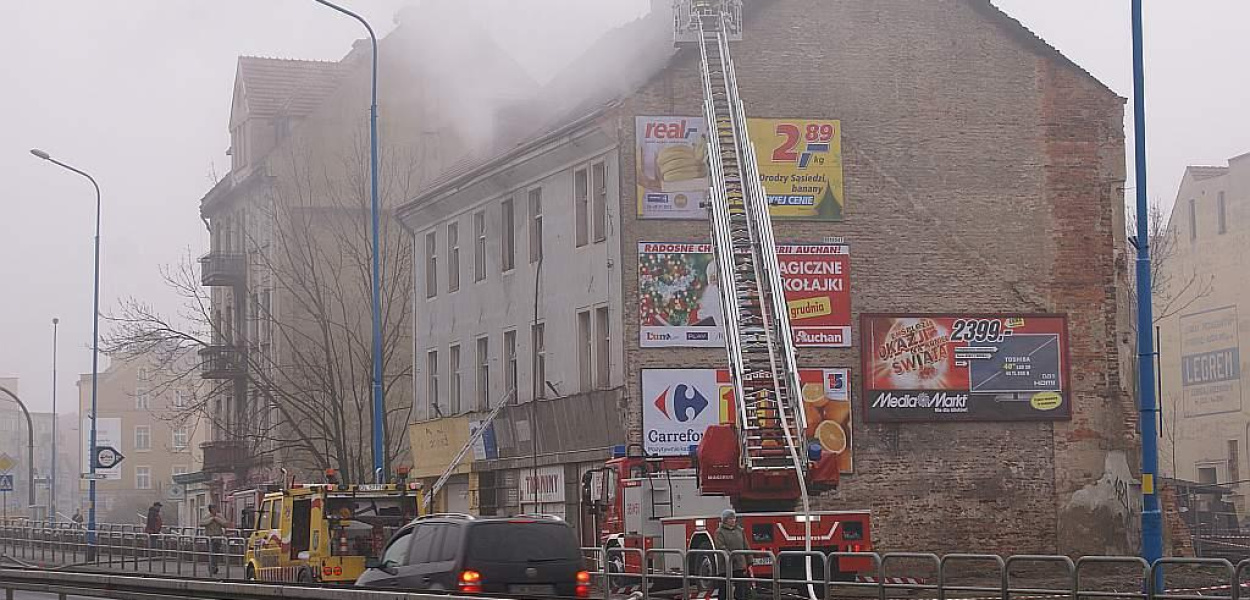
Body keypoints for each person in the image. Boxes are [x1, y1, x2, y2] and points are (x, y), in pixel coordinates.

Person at [714, 509, 750, 600]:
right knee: (724, 589)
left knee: (741, 590)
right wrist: (731, 556)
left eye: (734, 518)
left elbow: (745, 545)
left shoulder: (740, 530)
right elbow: (721, 546)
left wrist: (749, 559)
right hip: (726, 566)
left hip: (739, 565)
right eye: (730, 518)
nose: (733, 520)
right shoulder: (719, 532)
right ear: (725, 520)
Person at [201, 504, 230, 576]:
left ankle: (214, 566)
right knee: (211, 552)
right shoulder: (207, 516)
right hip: (209, 537)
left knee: (216, 552)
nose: (215, 509)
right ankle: (212, 567)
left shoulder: (219, 516)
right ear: (210, 509)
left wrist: (217, 519)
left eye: (215, 508)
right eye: (213, 508)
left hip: (218, 537)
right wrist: (211, 519)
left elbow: (225, 524)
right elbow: (201, 523)